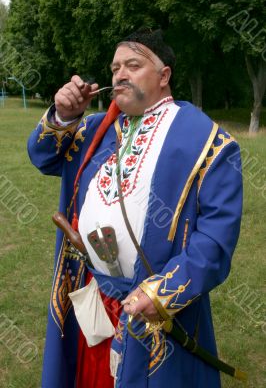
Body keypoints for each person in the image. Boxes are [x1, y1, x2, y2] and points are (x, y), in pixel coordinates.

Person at [28, 28, 243, 388]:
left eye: (133, 64)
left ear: (164, 76)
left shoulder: (210, 143)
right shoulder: (95, 128)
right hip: (93, 298)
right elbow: (43, 157)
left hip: (152, 314)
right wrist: (64, 116)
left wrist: (160, 292)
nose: (120, 74)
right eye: (115, 68)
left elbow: (216, 239)